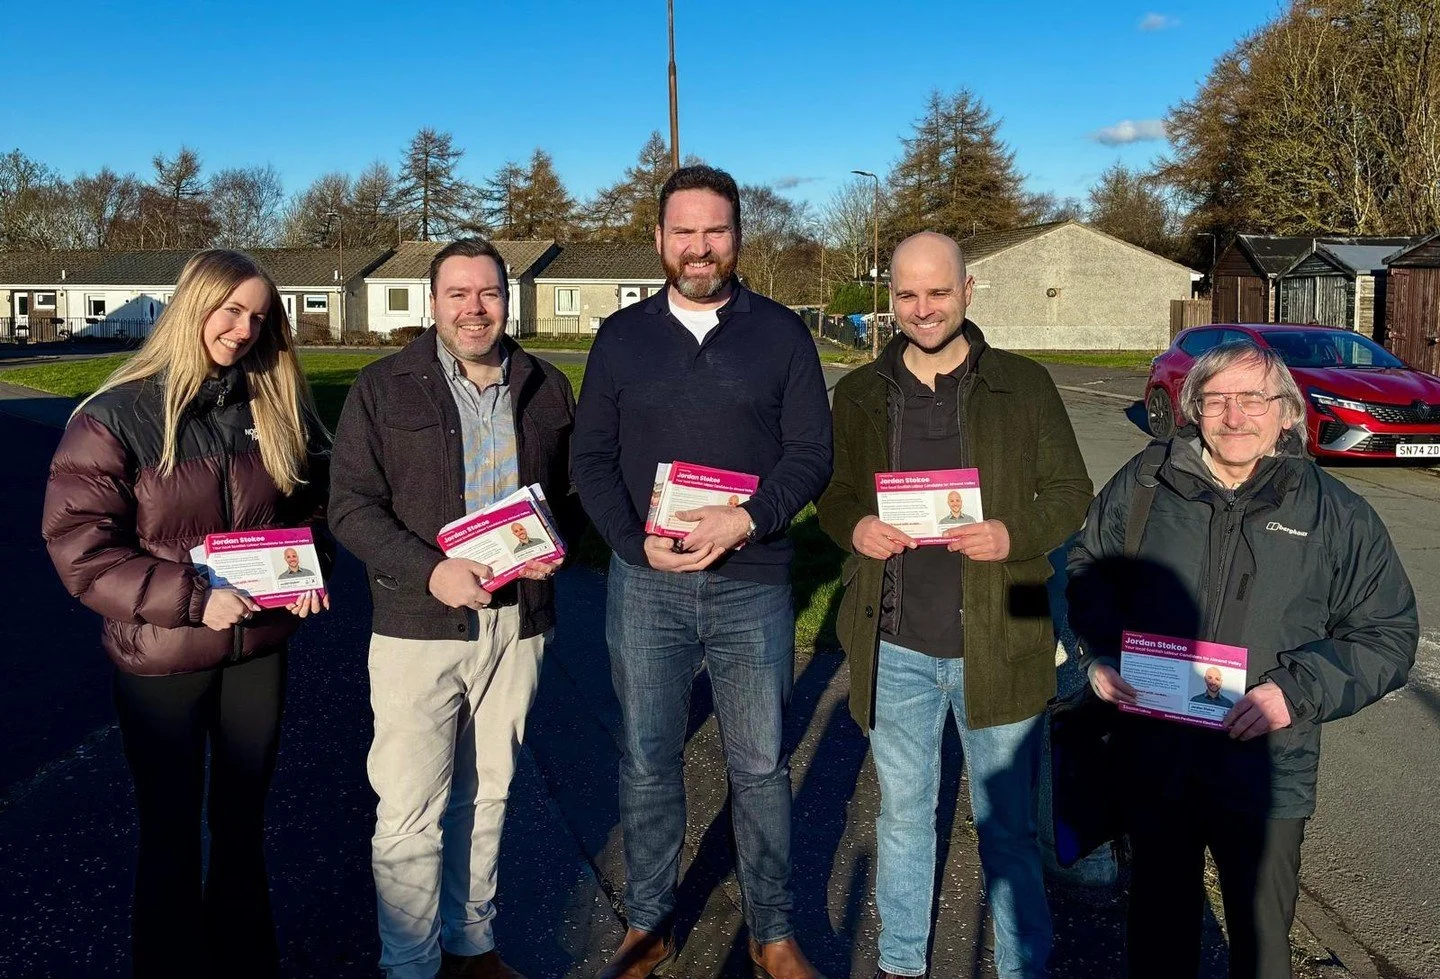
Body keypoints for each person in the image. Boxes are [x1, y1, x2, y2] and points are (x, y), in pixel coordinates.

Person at [1067, 340, 1417, 979]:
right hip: (1156, 755)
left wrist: (1295, 691)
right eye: (1217, 400)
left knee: (1261, 949)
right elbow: (1090, 570)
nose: (1234, 417)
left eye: (1253, 399)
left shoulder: (1337, 514)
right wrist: (1104, 656)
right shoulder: (1145, 485)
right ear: (1192, 409)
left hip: (1266, 769)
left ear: (1287, 412)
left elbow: (1386, 634)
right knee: (1158, 937)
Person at [573, 165, 833, 979]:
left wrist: (747, 517)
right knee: (649, 759)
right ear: (658, 238)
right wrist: (629, 541)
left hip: (751, 582)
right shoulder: (621, 337)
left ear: (737, 237)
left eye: (715, 230)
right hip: (647, 583)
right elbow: (590, 457)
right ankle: (649, 922)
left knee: (758, 765)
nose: (699, 246)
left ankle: (773, 930)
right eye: (683, 231)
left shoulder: (781, 335)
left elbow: (811, 454)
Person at [42, 249, 331, 978]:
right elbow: (82, 552)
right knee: (169, 831)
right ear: (191, 306)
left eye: (259, 316)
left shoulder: (273, 406)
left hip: (257, 651)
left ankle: (245, 960)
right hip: (162, 657)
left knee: (242, 826)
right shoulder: (114, 417)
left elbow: (309, 509)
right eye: (231, 310)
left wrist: (305, 570)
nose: (244, 329)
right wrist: (196, 597)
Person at [817, 231, 1092, 979]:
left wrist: (1013, 533)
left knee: (1005, 828)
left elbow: (1072, 491)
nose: (923, 308)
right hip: (895, 641)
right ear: (891, 299)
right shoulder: (861, 393)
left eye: (938, 292)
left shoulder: (1024, 385)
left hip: (1000, 641)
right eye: (907, 294)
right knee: (904, 817)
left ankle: (1021, 966)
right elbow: (835, 495)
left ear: (968, 291)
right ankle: (902, 962)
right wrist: (855, 526)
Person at [329, 238, 585, 979]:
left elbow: (570, 494)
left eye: (489, 293)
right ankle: (409, 964)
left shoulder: (545, 384)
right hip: (419, 625)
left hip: (518, 621)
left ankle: (471, 947)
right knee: (410, 808)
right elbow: (350, 507)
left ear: (508, 298)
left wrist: (558, 543)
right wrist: (430, 570)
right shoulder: (383, 386)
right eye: (458, 294)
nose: (475, 309)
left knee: (489, 794)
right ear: (433, 302)